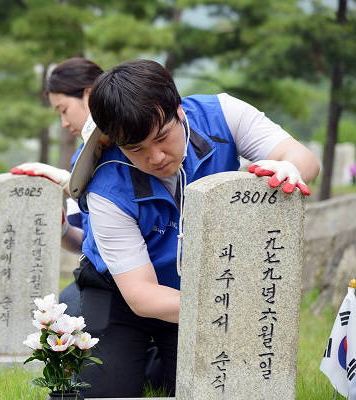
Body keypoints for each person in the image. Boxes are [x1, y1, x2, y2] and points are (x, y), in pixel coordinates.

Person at [64, 59, 320, 398]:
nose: (156, 157)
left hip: (203, 285)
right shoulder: (106, 187)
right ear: (113, 141)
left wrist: (287, 168)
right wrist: (229, 309)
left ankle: (153, 357)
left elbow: (302, 158)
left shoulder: (223, 115)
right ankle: (114, 339)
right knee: (104, 391)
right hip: (122, 294)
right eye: (136, 149)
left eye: (161, 138)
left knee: (211, 387)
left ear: (179, 111)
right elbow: (142, 295)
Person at [11, 57, 103, 315]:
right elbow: (89, 243)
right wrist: (61, 229)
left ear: (89, 95)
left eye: (63, 110)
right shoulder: (81, 159)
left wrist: (69, 182)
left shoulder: (134, 146)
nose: (63, 123)